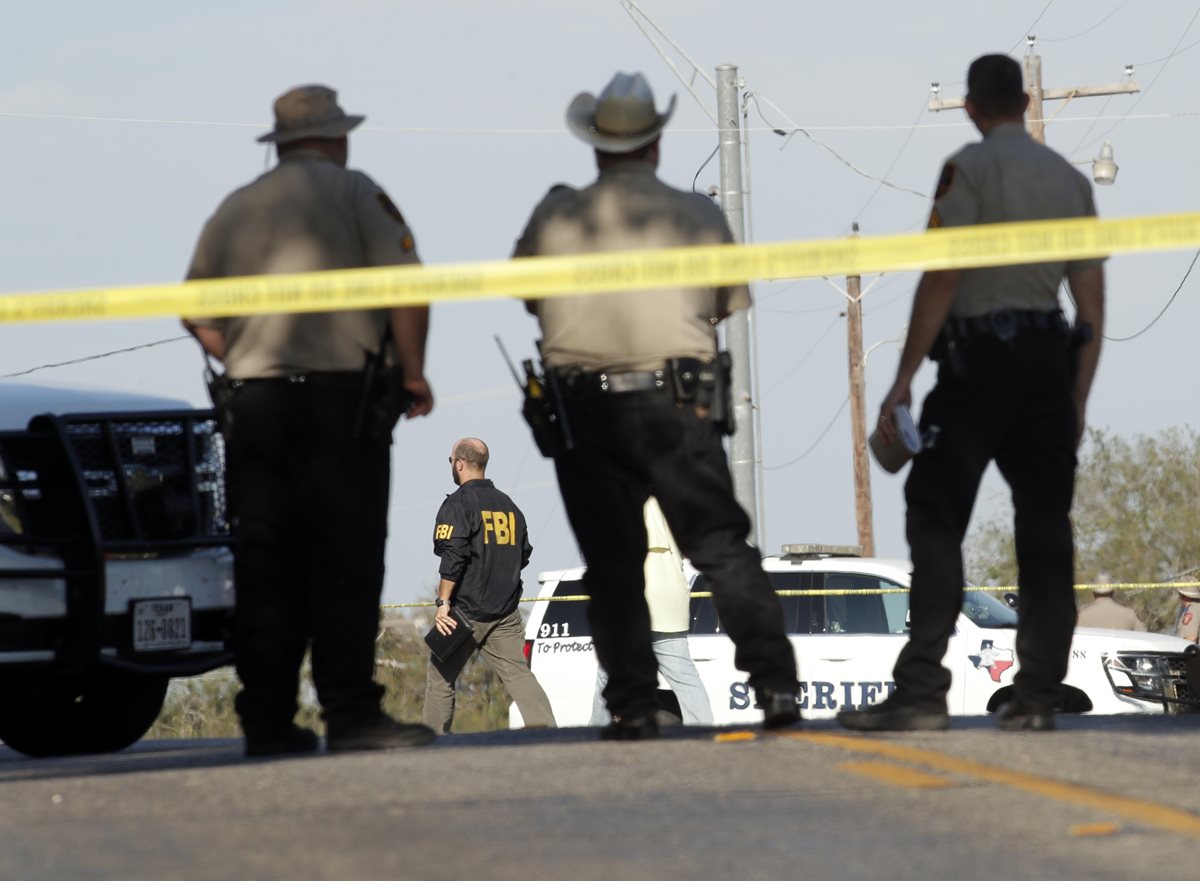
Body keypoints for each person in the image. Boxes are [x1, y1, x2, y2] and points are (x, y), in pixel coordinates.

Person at [513, 72, 800, 740]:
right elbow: (726, 305)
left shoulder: (556, 215)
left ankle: (635, 702)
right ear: (656, 144)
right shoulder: (698, 214)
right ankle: (777, 689)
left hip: (588, 408)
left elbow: (529, 296)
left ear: (594, 145)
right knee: (723, 548)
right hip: (679, 407)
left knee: (612, 562)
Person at [837, 54, 1106, 734]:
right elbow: (1092, 305)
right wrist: (1077, 399)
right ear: (1024, 99)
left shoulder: (968, 169)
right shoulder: (1071, 181)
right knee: (1046, 531)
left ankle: (924, 689)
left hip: (976, 364)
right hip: (1047, 366)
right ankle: (1038, 694)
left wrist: (903, 379)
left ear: (971, 107)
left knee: (935, 515)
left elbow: (943, 277)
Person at [183, 84, 436, 756]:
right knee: (345, 558)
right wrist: (411, 372)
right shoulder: (357, 193)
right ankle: (350, 714)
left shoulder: (234, 207)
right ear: (337, 136)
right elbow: (407, 284)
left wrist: (241, 357)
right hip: (340, 403)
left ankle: (266, 722)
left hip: (255, 407)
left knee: (266, 563)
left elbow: (195, 311)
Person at [424, 438, 556, 733]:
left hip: (465, 611)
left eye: (450, 461)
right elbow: (524, 553)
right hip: (505, 613)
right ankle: (549, 733)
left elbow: (454, 556)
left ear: (459, 463)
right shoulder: (509, 505)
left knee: (440, 676)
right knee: (519, 675)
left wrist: (443, 602)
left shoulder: (457, 504)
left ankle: (433, 743)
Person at [589, 497, 715, 727]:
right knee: (685, 679)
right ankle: (702, 726)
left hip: (633, 599)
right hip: (670, 599)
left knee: (609, 673)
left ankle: (596, 731)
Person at [1076, 578, 1144, 631]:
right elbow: (1143, 636)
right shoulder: (1129, 614)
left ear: (1094, 593)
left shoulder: (1083, 615)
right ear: (1112, 592)